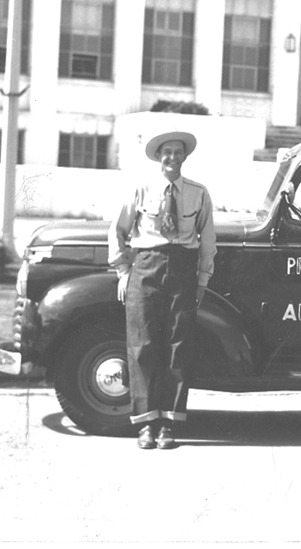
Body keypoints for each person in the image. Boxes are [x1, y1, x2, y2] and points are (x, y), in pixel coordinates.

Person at [108, 131, 215, 449]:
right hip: (146, 269)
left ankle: (168, 424)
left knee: (178, 346)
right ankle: (145, 424)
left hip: (183, 271)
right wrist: (123, 272)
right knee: (142, 345)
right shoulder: (140, 189)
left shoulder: (198, 193)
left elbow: (207, 240)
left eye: (178, 152)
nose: (172, 157)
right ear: (158, 157)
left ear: (185, 157)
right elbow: (118, 230)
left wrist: (202, 281)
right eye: (167, 152)